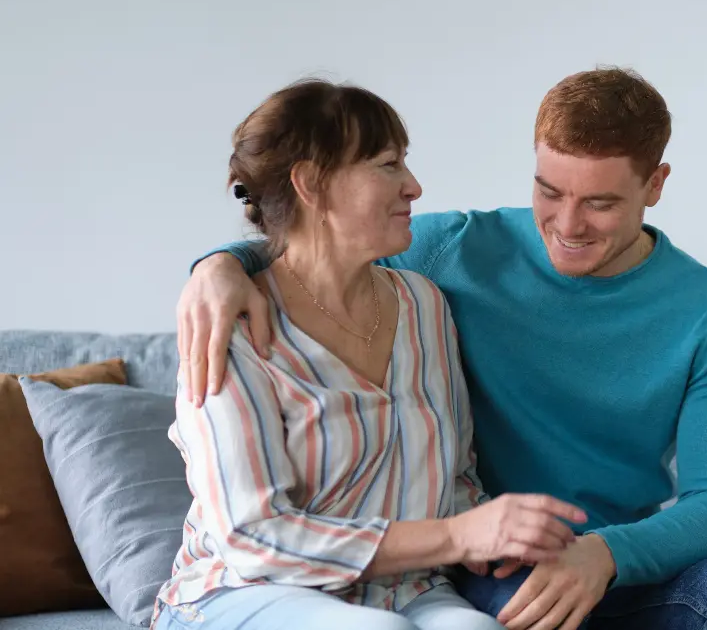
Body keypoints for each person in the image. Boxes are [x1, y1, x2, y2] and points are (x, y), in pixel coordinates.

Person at [177, 67, 707, 629]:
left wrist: (607, 555)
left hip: (626, 559)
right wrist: (218, 267)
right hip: (495, 564)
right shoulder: (450, 253)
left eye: (600, 203)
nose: (567, 225)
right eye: (550, 192)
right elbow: (316, 245)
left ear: (656, 184)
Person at [153, 79, 590, 630]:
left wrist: (498, 532)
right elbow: (251, 537)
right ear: (311, 184)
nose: (414, 186)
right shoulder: (230, 323)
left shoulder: (424, 306)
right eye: (388, 164)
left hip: (400, 589)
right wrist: (456, 536)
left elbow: (452, 478)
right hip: (245, 591)